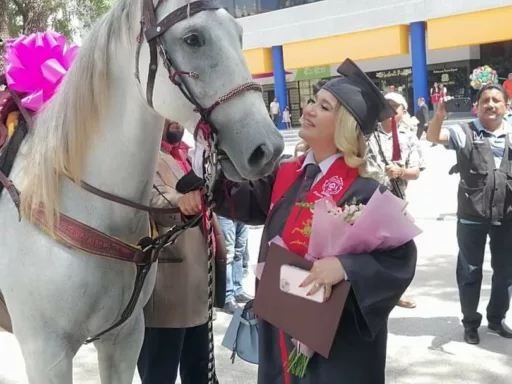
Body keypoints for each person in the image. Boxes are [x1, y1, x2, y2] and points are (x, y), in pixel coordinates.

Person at [178, 58, 417, 383]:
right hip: (281, 318)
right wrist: (209, 186)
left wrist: (347, 267)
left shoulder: (366, 189)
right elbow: (243, 200)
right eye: (312, 101)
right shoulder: (288, 172)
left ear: (345, 124)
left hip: (336, 339)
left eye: (324, 106)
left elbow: (400, 258)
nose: (309, 110)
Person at [137, 120, 226, 384]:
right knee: (159, 374)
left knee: (200, 373)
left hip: (198, 289)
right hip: (166, 292)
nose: (174, 120)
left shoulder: (188, 154)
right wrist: (182, 202)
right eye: (166, 115)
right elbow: (155, 198)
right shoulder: (144, 154)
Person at [427, 83, 512, 345]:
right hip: (471, 215)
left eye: (497, 100)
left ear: (506, 106)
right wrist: (439, 116)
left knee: (506, 272)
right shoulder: (465, 132)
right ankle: (470, 323)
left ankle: (496, 320)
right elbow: (433, 138)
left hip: (507, 215)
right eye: (485, 100)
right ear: (477, 105)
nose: (491, 105)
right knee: (470, 270)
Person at [366, 92, 425, 309]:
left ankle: (397, 292)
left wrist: (400, 171)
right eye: (386, 105)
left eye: (395, 106)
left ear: (404, 111)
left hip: (396, 199)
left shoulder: (409, 137)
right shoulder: (368, 134)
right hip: (369, 198)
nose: (390, 110)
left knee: (398, 248)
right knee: (367, 245)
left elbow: (416, 171)